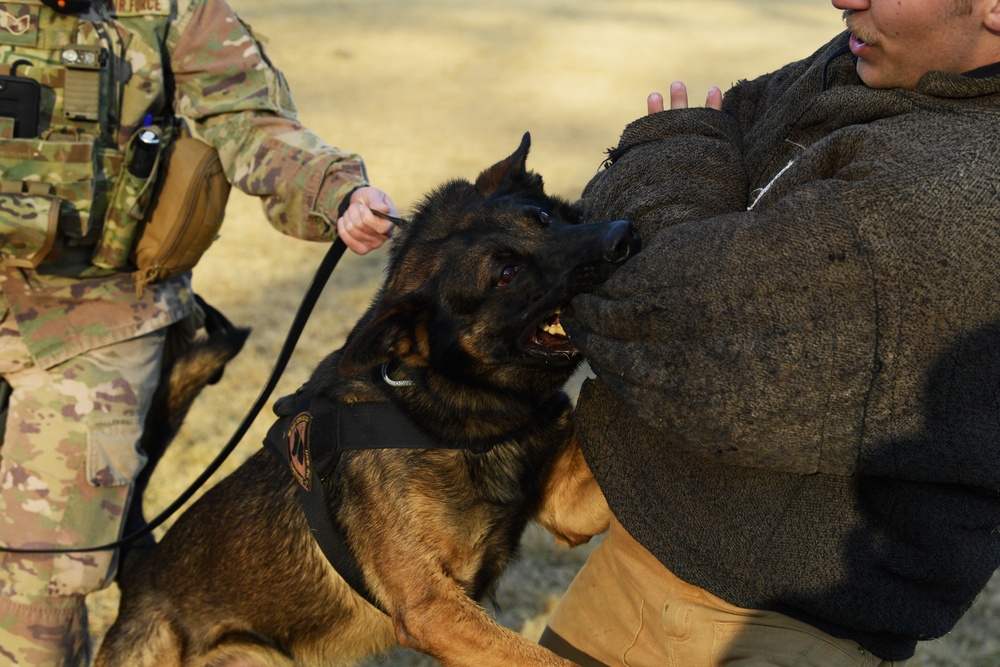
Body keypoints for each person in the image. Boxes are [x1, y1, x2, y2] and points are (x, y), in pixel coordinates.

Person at [540, 0, 1000, 665]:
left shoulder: (960, 192)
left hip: (767, 630)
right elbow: (712, 139)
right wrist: (681, 199)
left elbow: (671, 326)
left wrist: (668, 156)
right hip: (645, 564)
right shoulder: (858, 63)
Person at [0, 0, 396, 664]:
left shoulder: (169, 11)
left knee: (40, 576)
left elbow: (249, 119)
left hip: (98, 319)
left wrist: (337, 192)